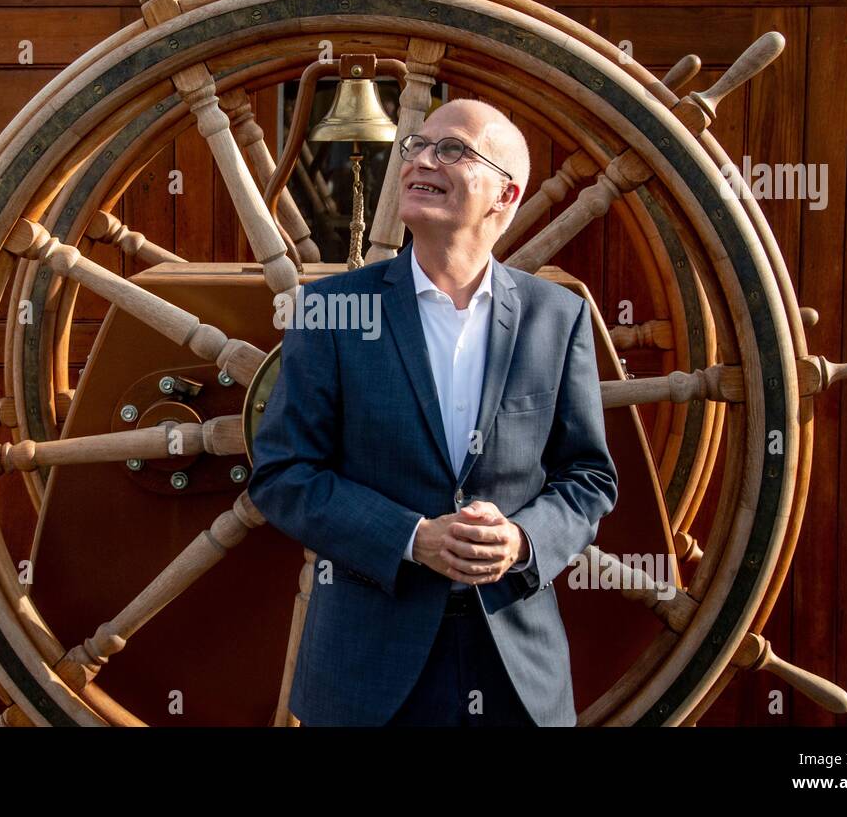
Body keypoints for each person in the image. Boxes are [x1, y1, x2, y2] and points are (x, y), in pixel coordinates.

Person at [248, 98, 618, 727]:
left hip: (516, 672)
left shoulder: (559, 317)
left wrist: (523, 541)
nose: (420, 159)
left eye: (451, 150)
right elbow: (283, 475)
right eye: (416, 145)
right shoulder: (329, 310)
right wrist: (412, 538)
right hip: (367, 672)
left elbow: (588, 479)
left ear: (505, 194)